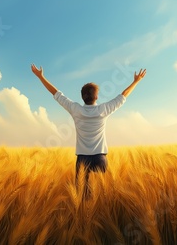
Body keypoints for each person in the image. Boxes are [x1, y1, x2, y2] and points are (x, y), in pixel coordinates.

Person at [31, 63, 146, 198]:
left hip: (82, 159)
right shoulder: (104, 109)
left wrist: (41, 77)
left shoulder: (75, 109)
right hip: (100, 158)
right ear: (96, 97)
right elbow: (123, 96)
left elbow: (56, 93)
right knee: (102, 198)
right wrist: (136, 81)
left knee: (81, 197)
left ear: (82, 97)